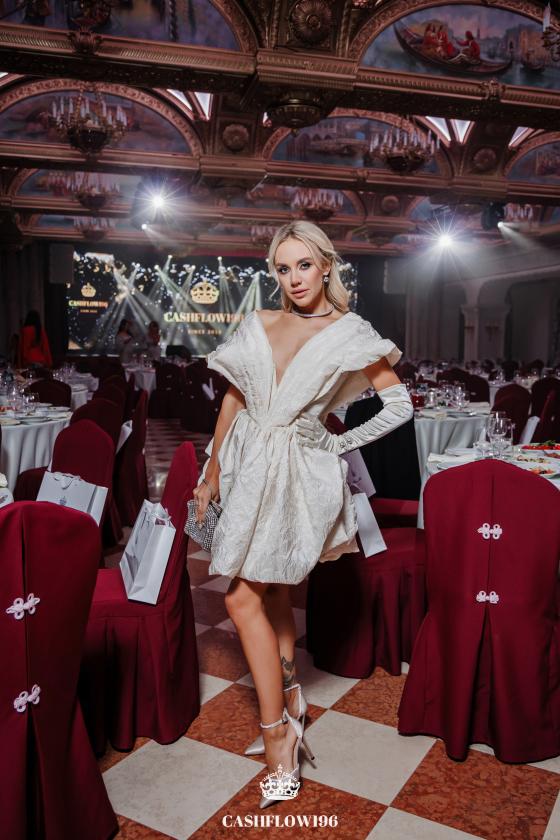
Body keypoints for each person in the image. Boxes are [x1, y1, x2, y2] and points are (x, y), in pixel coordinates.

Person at [193, 221, 413, 807]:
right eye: (283, 268)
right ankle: (293, 700)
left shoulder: (349, 331)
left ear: (326, 265)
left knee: (240, 598)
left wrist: (336, 443)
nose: (294, 279)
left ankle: (278, 740)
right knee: (269, 592)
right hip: (247, 464)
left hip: (296, 473)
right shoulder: (261, 321)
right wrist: (212, 468)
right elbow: (235, 396)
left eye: (304, 265)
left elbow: (399, 406)